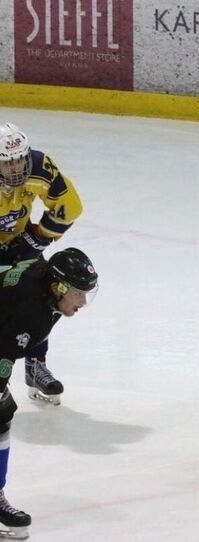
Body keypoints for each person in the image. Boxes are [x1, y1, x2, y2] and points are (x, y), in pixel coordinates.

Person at [0, 248, 98, 538]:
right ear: (59, 287)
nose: (82, 302)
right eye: (78, 294)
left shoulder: (44, 283)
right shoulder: (30, 312)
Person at [0, 122, 83, 405]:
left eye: (20, 159)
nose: (17, 169)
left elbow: (70, 207)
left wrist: (36, 240)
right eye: (8, 163)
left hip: (19, 242)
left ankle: (35, 364)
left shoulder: (38, 167)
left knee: (47, 292)